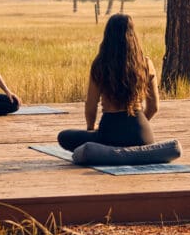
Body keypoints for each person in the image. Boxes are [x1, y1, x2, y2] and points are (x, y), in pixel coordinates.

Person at [58, 13, 160, 151]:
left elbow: (91, 105)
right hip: (142, 136)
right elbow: (154, 107)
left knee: (64, 136)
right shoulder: (146, 63)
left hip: (109, 136)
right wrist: (137, 127)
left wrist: (91, 130)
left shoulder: (100, 64)